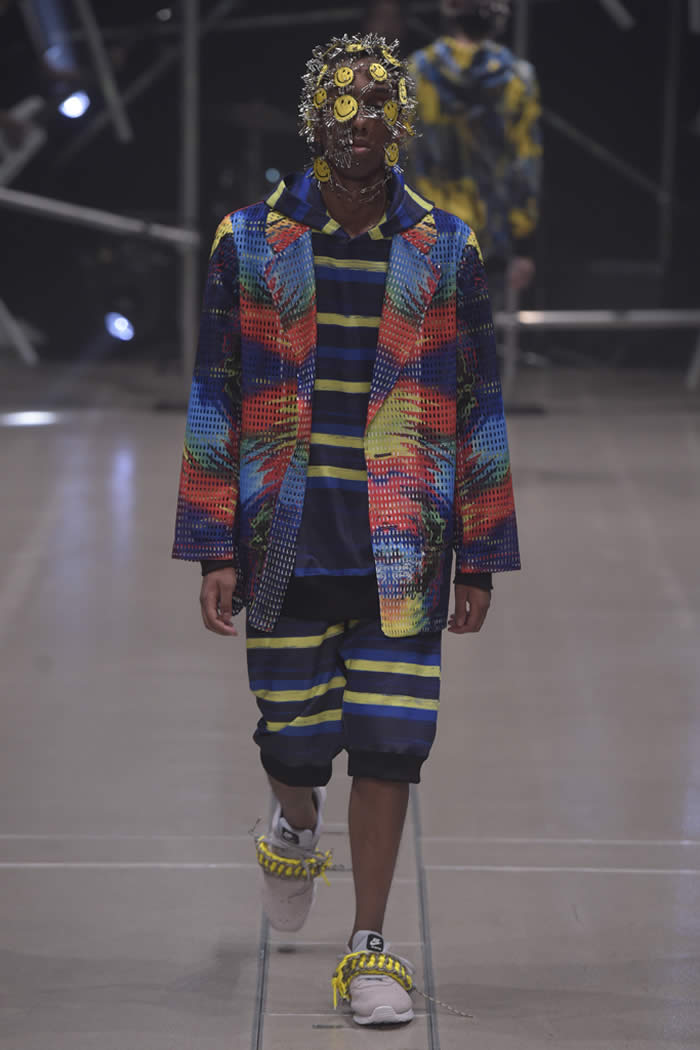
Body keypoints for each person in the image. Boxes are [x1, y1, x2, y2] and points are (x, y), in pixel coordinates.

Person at [172, 31, 520, 1027]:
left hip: (404, 543)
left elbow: (479, 408)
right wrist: (211, 543)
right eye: (338, 100)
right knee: (295, 744)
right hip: (283, 538)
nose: (356, 119)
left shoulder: (446, 249)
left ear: (400, 119)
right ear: (310, 115)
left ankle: (370, 947)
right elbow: (214, 394)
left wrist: (480, 556)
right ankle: (293, 821)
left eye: (375, 102)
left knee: (391, 744)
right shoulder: (249, 241)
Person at [407, 0, 542, 298]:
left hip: (426, 239)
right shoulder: (517, 78)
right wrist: (524, 246)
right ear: (498, 16)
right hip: (491, 244)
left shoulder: (416, 73)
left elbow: (397, 156)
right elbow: (525, 164)